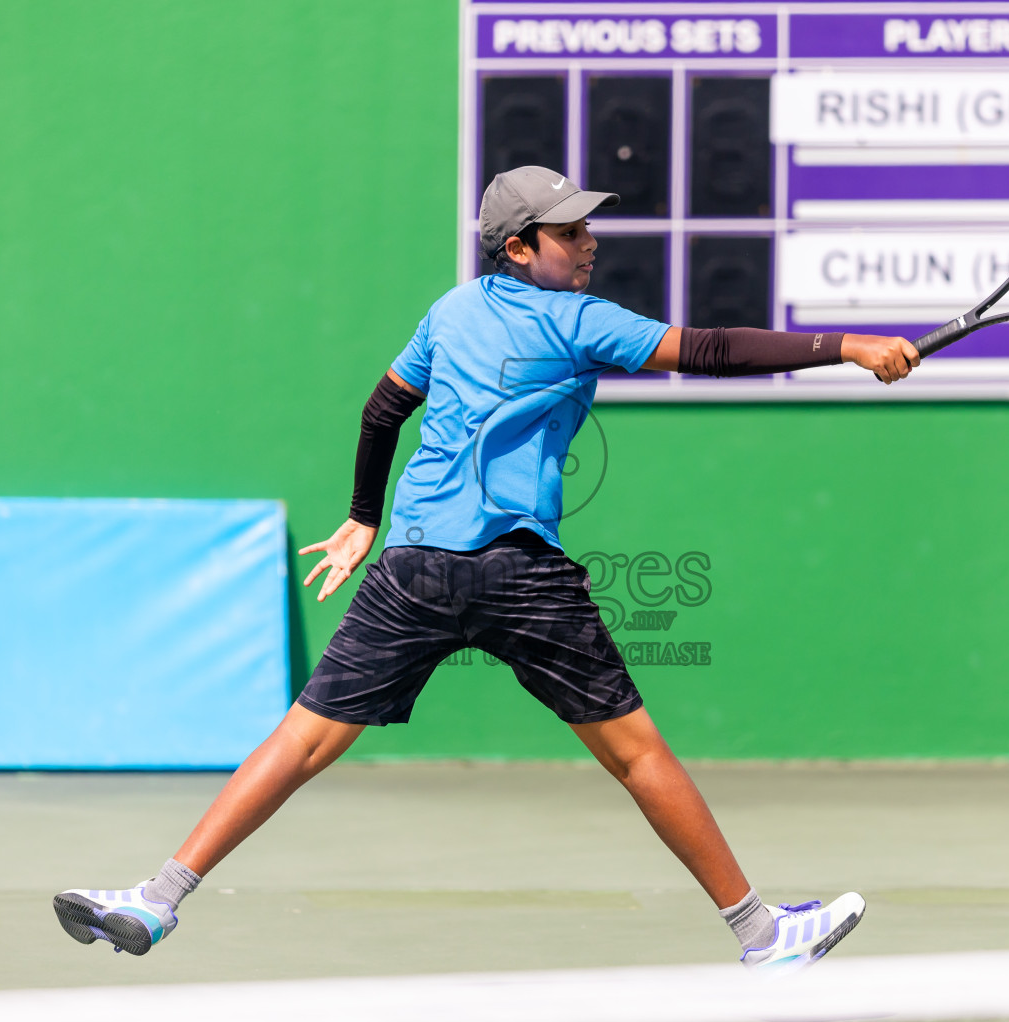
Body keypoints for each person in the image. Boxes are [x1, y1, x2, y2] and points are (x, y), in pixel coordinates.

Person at [53, 166, 919, 969]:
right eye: (569, 232)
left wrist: (363, 518)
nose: (589, 243)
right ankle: (762, 936)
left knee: (306, 737)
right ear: (519, 246)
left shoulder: (452, 309)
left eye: (588, 229)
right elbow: (712, 352)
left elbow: (383, 408)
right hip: (517, 573)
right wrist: (846, 343)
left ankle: (160, 901)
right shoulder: (582, 321)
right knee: (636, 756)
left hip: (414, 564)